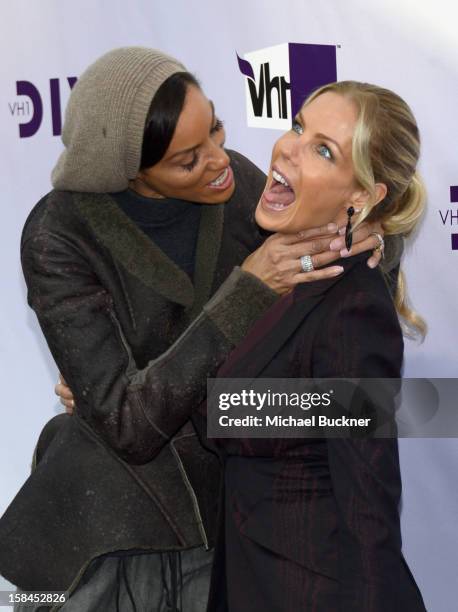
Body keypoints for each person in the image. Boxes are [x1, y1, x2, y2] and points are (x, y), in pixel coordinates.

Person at [0, 46, 398, 612]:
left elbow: (338, 356)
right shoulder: (58, 233)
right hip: (104, 535)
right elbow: (130, 427)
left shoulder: (236, 183)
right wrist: (247, 292)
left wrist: (378, 239)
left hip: (228, 535)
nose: (218, 160)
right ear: (132, 173)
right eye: (189, 159)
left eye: (215, 127)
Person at [196, 81, 428, 612]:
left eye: (324, 150)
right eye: (299, 126)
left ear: (363, 197)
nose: (287, 147)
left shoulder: (353, 311)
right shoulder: (277, 270)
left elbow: (368, 499)